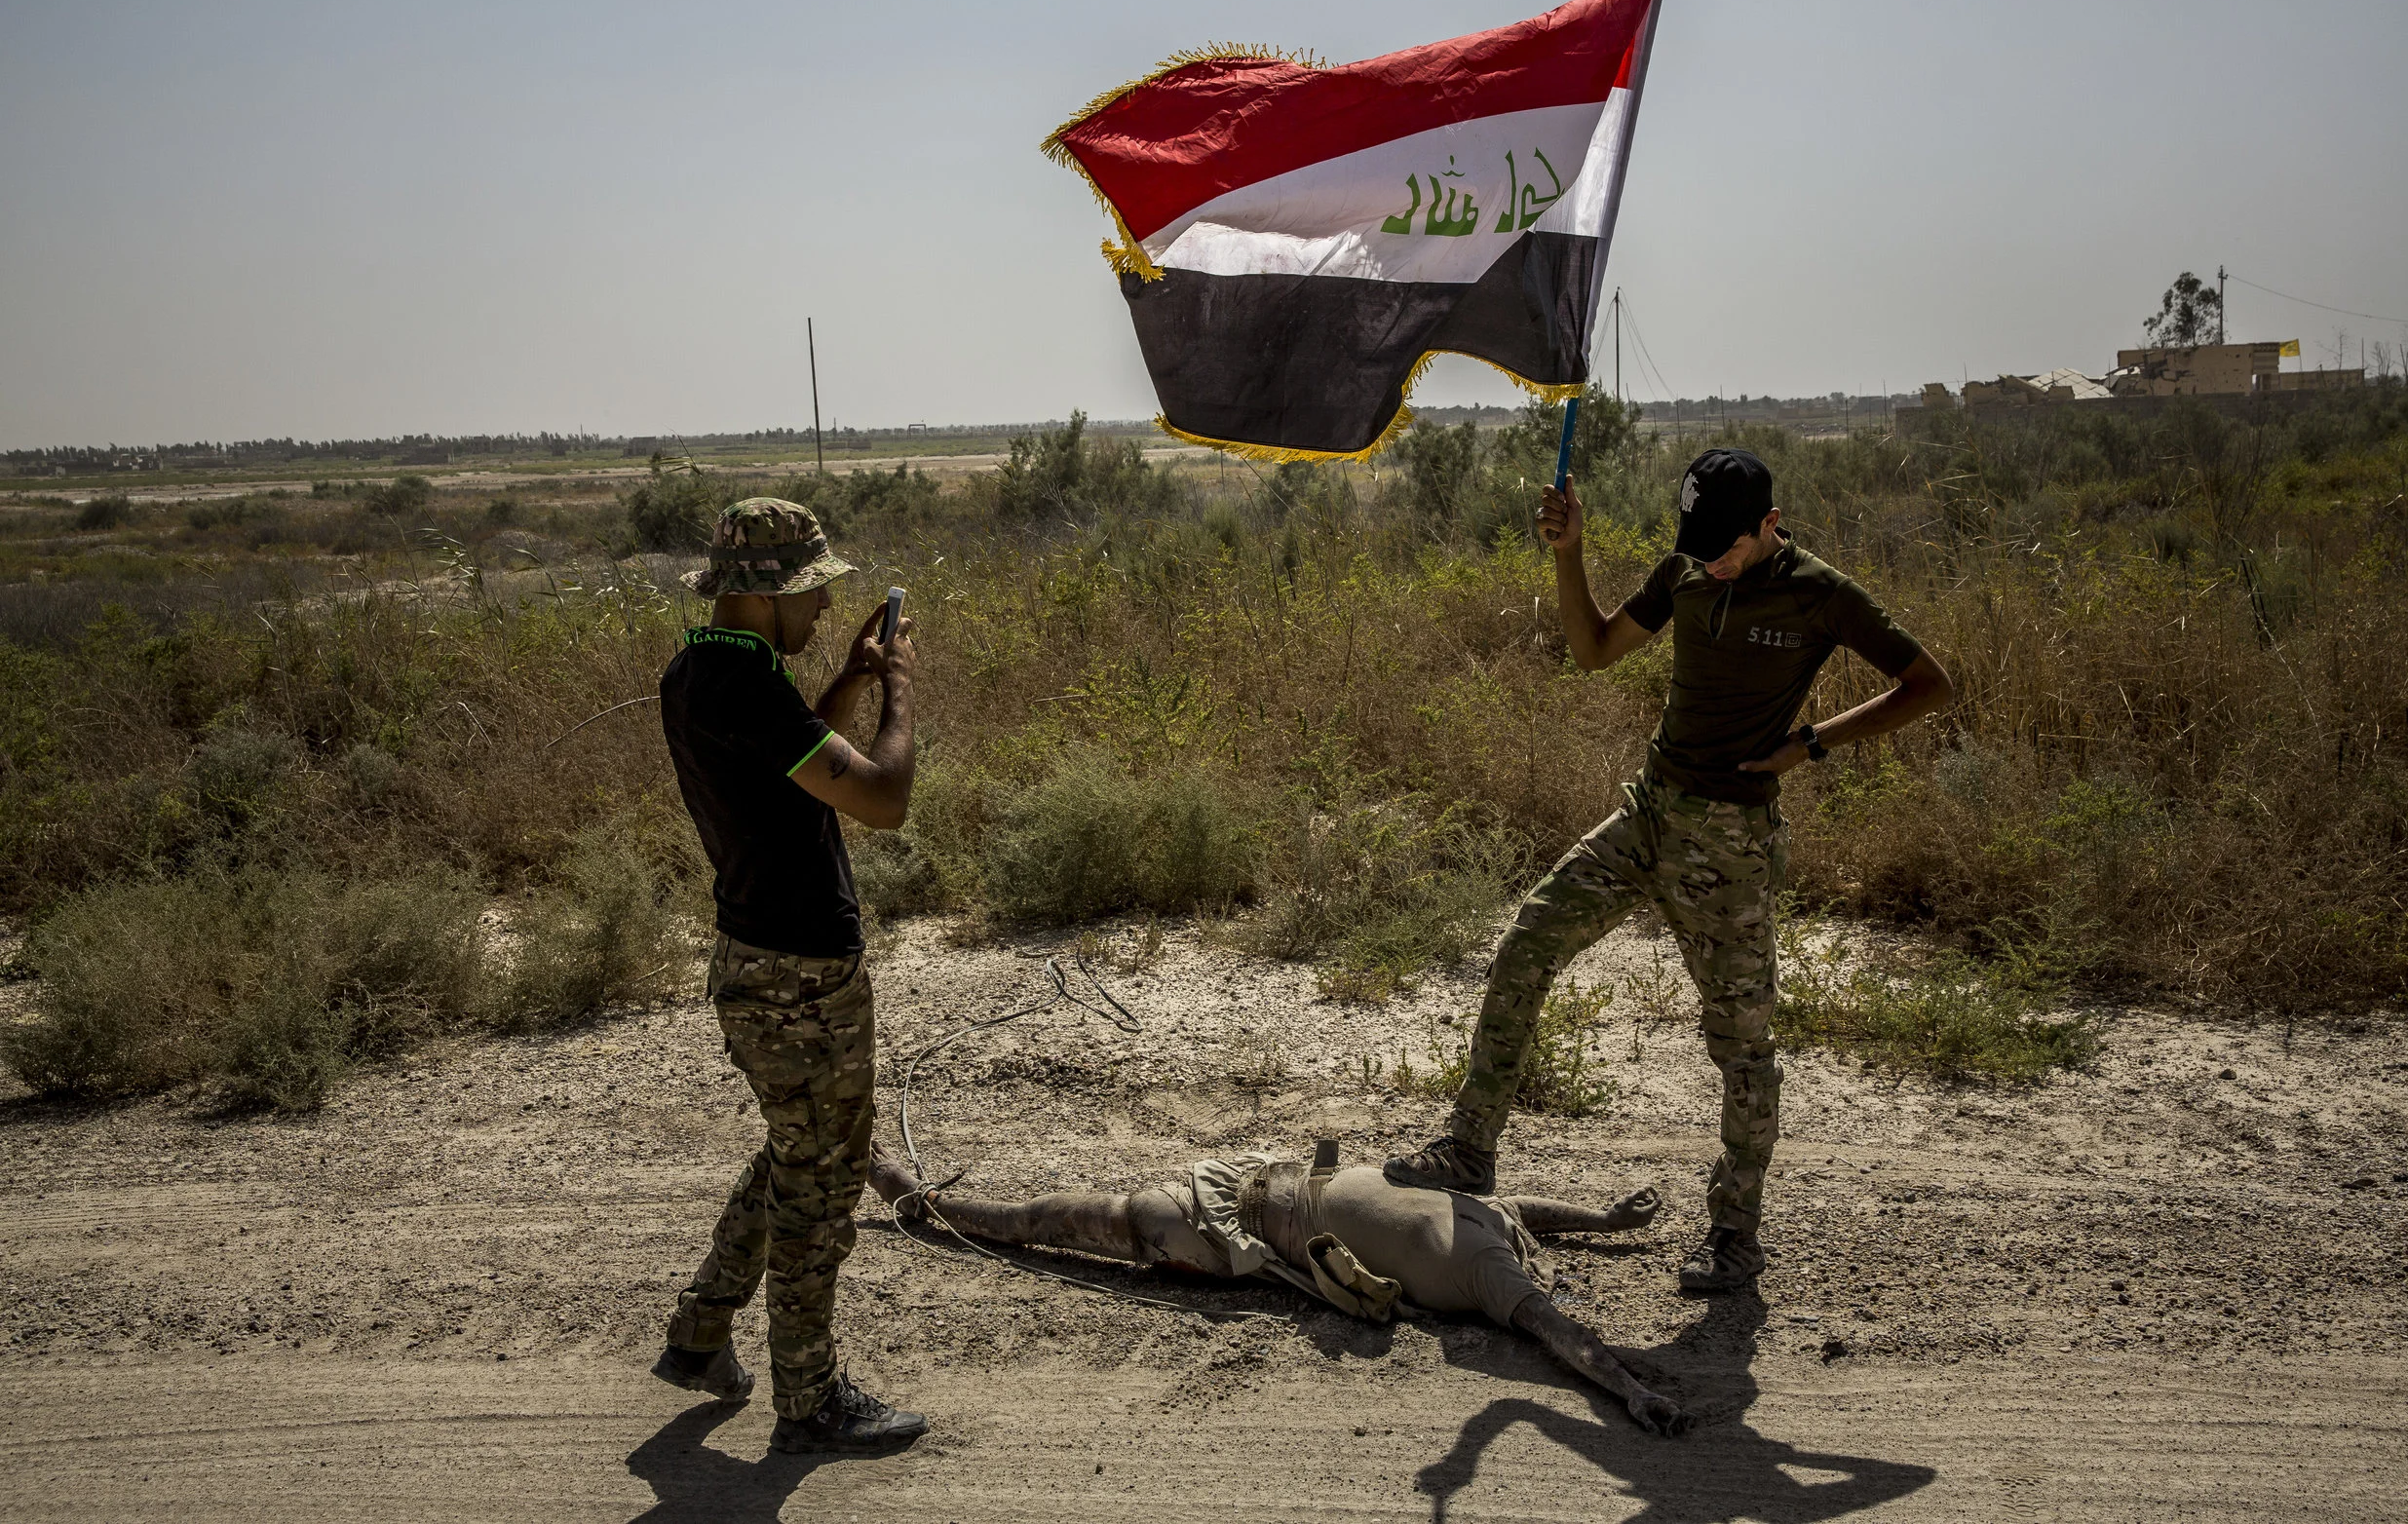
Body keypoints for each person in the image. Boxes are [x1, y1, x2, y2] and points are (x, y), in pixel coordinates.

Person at [1384, 448, 1952, 1293]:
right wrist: (1568, 555)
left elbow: (1929, 684)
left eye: (1725, 546)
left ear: (1769, 524)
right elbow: (1595, 649)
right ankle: (1469, 1149)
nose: (1708, 561)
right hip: (1649, 812)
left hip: (1730, 843)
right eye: (1696, 545)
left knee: (1741, 1044)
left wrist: (1812, 743)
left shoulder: (1819, 591)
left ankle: (1733, 1234)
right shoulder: (1683, 571)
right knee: (1528, 940)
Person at [647, 497, 927, 1453]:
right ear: (765, 598)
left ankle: (699, 1328)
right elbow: (881, 797)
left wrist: (847, 674)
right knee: (822, 1182)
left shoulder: (701, 674)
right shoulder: (747, 687)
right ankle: (808, 1398)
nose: (820, 608)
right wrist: (897, 691)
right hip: (803, 977)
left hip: (751, 960)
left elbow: (790, 761)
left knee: (794, 1153)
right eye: (810, 592)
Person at [870, 1145, 1691, 1436]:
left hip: (1220, 1231)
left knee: (1051, 1221)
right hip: (1243, 1182)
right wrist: (1605, 1219)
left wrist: (1629, 1389)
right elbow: (1528, 1219)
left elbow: (1559, 1334)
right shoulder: (1484, 1224)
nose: (1526, 1233)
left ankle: (920, 1199)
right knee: (1048, 1219)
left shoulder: (1487, 1267)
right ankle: (920, 1199)